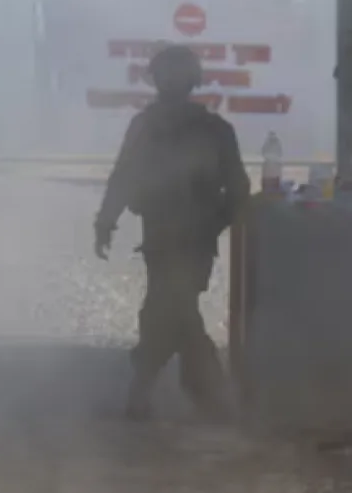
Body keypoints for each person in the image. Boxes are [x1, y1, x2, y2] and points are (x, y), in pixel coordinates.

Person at [93, 43, 251, 422]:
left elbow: (123, 177)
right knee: (171, 312)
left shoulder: (158, 127)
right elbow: (239, 191)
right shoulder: (211, 129)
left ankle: (165, 392)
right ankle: (205, 393)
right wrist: (217, 223)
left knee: (166, 312)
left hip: (178, 239)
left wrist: (106, 221)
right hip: (177, 239)